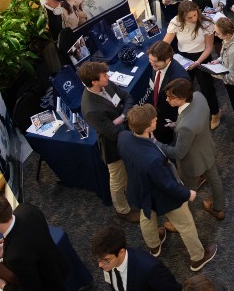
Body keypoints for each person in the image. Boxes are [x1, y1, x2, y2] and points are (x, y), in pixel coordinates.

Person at [117, 105, 218, 273]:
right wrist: (188, 193)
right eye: (154, 120)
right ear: (148, 126)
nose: (157, 120)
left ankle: (154, 247)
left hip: (141, 189)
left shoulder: (123, 137)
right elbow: (167, 185)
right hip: (163, 195)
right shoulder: (152, 159)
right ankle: (198, 257)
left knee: (147, 216)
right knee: (185, 224)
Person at [77, 62, 139, 224]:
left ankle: (133, 194)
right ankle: (122, 210)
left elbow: (127, 97)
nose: (108, 77)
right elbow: (112, 133)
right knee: (118, 179)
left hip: (126, 131)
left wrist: (123, 116)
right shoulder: (90, 108)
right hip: (113, 147)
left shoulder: (107, 84)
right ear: (94, 82)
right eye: (104, 76)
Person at [157, 79, 226, 221]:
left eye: (170, 97)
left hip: (192, 163)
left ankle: (188, 220)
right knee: (214, 179)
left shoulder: (186, 127)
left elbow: (178, 153)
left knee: (187, 193)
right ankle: (219, 209)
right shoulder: (198, 96)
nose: (167, 100)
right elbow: (194, 122)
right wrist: (176, 125)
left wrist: (155, 143)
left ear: (181, 98)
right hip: (207, 150)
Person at [0, 196, 69, 291]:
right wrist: (4, 246)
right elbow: (28, 234)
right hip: (57, 263)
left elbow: (32, 288)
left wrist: (4, 286)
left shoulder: (15, 256)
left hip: (49, 284)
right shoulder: (26, 209)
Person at [162, 1, 220, 129]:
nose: (194, 19)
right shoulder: (175, 23)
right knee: (184, 89)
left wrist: (198, 62)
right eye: (190, 17)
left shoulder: (206, 23)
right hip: (183, 58)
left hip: (202, 57)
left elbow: (209, 47)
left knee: (207, 88)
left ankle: (215, 113)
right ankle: (189, 115)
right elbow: (166, 43)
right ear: (182, 17)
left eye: (195, 15)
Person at [91, 225, 180, 291]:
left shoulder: (150, 268)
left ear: (121, 252)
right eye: (98, 260)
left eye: (105, 260)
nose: (100, 265)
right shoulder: (107, 262)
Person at [145, 40, 189, 146]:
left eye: (155, 61)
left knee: (166, 143)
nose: (152, 63)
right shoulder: (156, 66)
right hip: (158, 113)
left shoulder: (179, 78)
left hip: (169, 119)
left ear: (168, 59)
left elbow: (184, 104)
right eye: (150, 60)